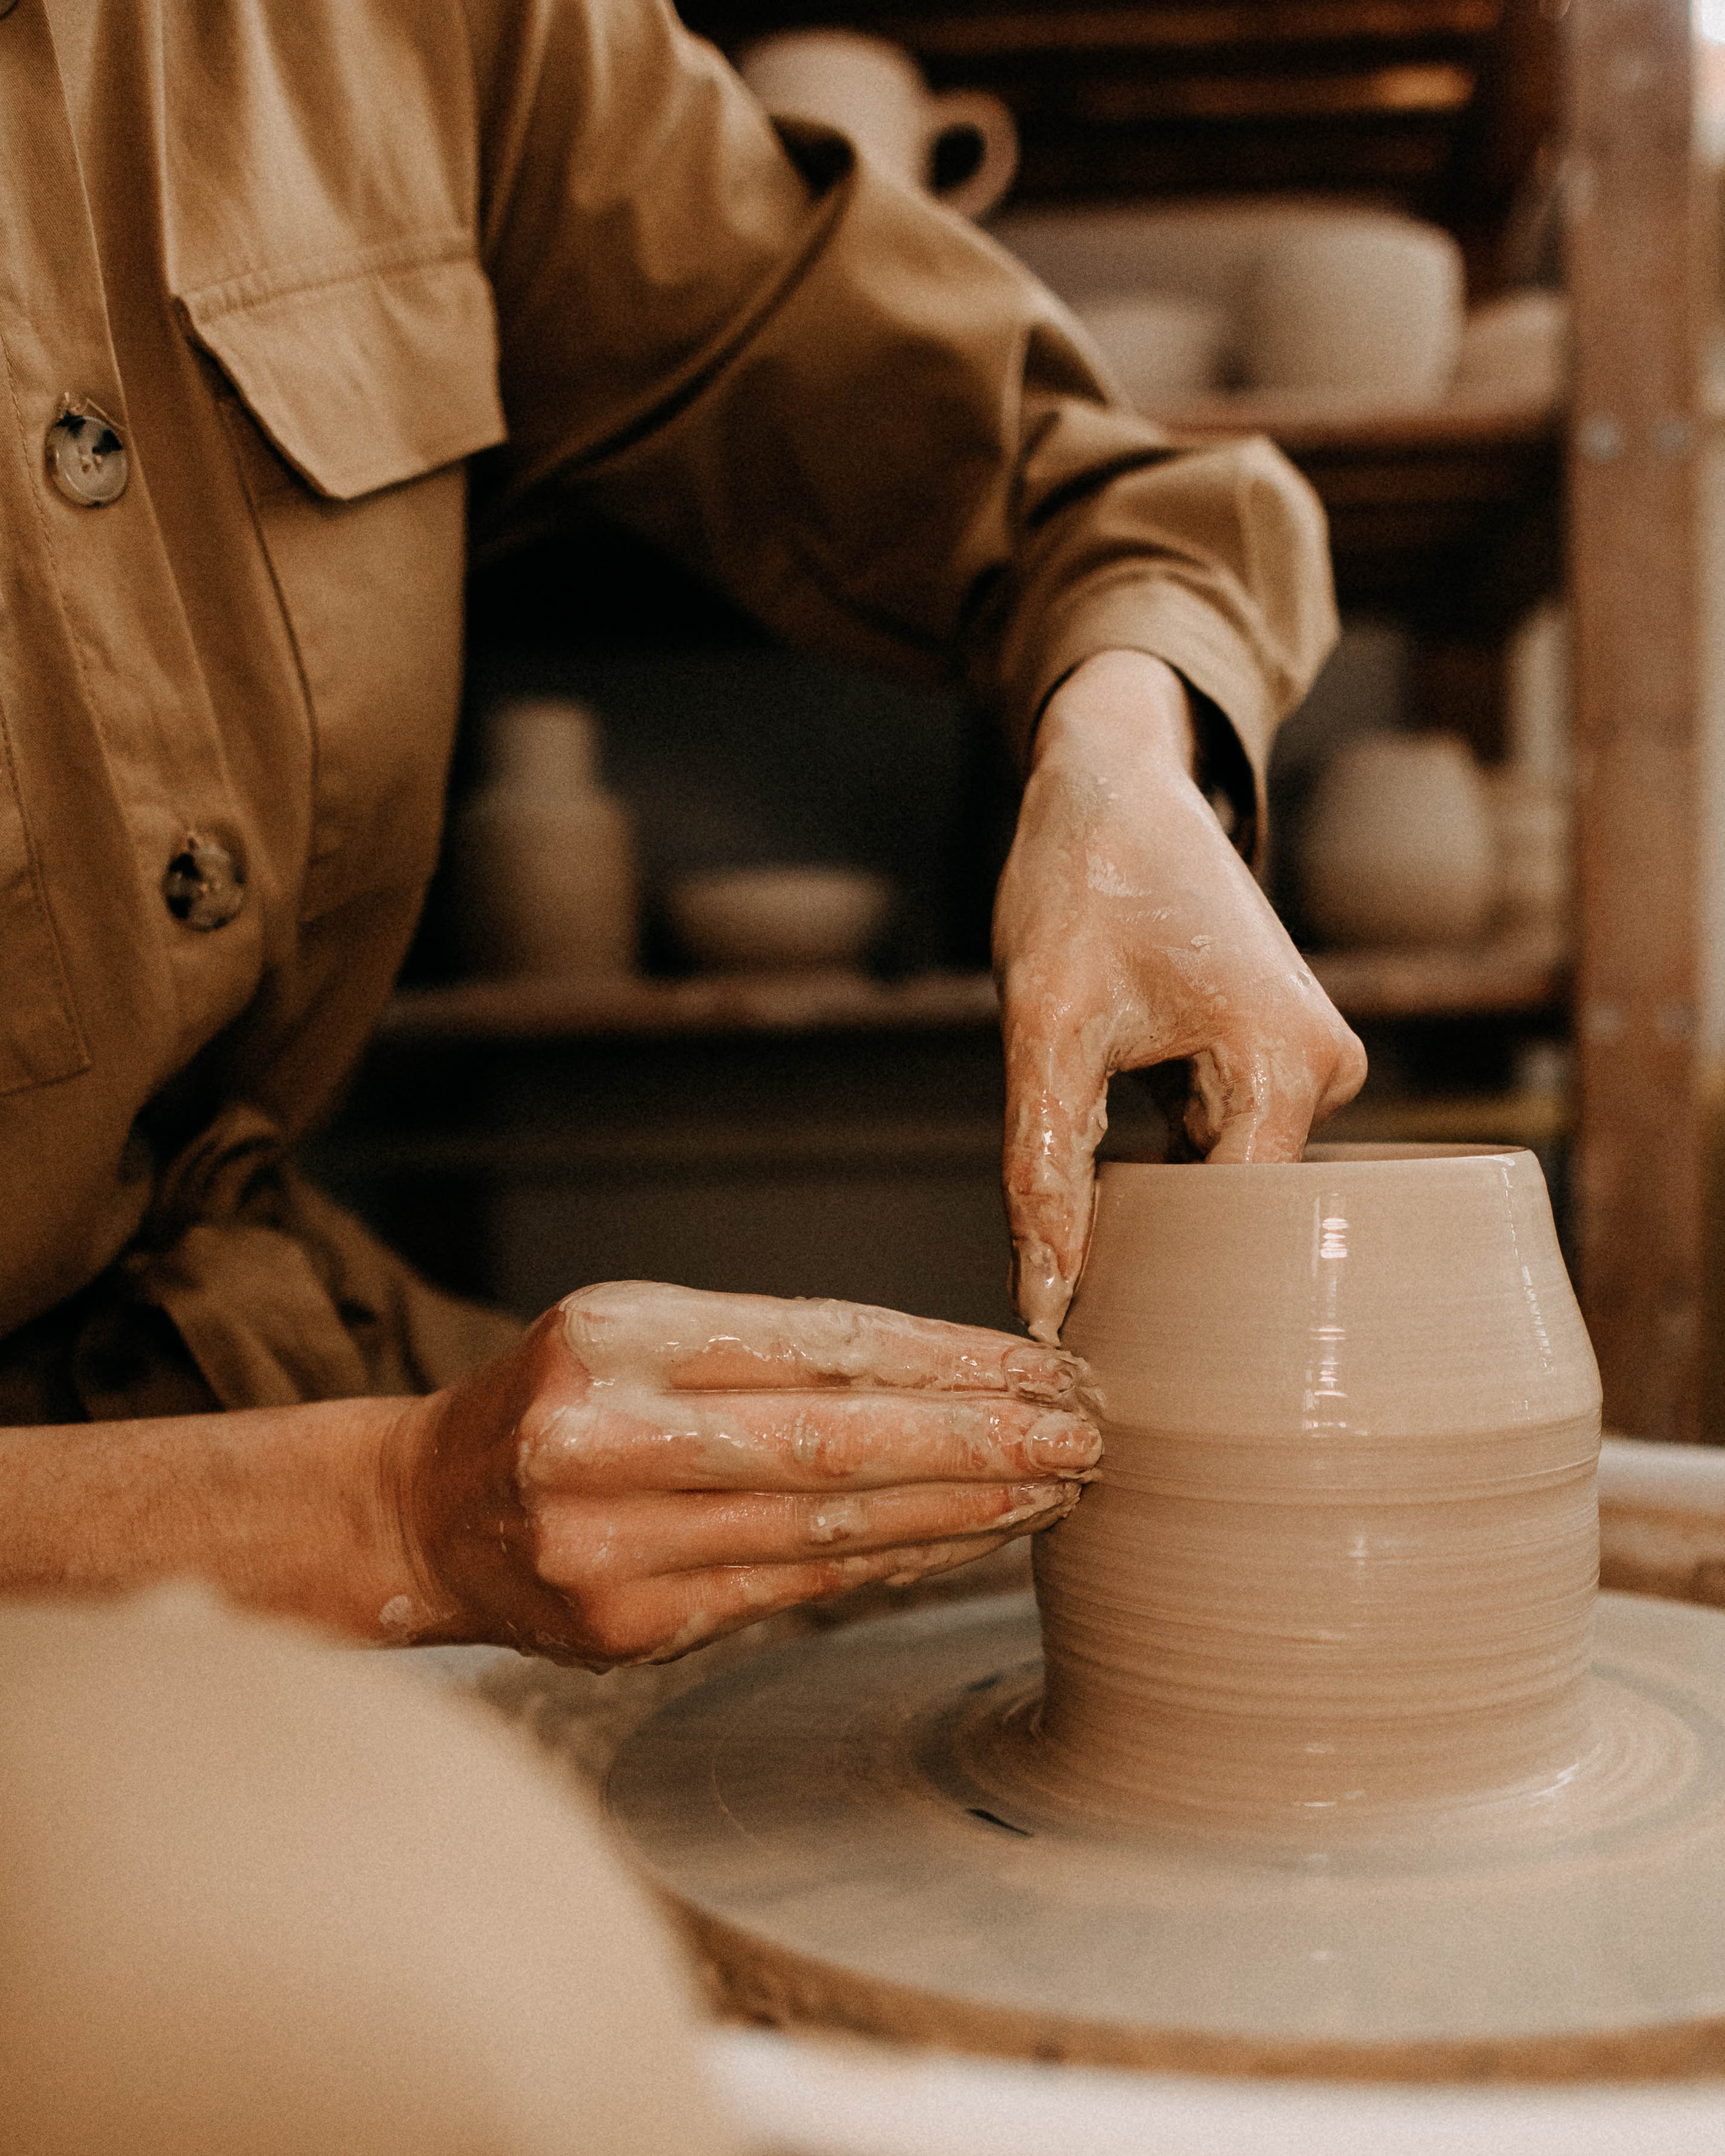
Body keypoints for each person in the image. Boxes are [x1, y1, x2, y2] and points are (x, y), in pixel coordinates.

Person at [0, 0, 1364, 1668]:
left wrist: (1124, 748)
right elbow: (391, 1518)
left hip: (246, 1331)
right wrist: (389, 1513)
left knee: (893, 1672)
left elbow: (1074, 480)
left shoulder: (410, 36)